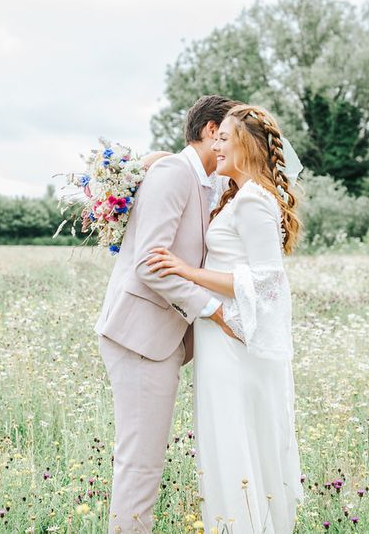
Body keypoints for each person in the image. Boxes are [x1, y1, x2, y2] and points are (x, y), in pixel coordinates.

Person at [146, 104, 304, 533]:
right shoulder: (233, 192)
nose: (215, 144)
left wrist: (185, 270)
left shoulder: (253, 200)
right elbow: (184, 168)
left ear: (245, 147)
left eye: (224, 138)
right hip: (218, 336)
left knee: (235, 440)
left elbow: (269, 281)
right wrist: (149, 162)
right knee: (222, 439)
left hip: (234, 336)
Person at [94, 94, 238, 534]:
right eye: (230, 133)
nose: (236, 143)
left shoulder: (200, 179)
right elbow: (149, 263)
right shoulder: (175, 174)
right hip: (140, 337)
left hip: (161, 338)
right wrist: (210, 309)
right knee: (140, 462)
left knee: (146, 456)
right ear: (211, 132)